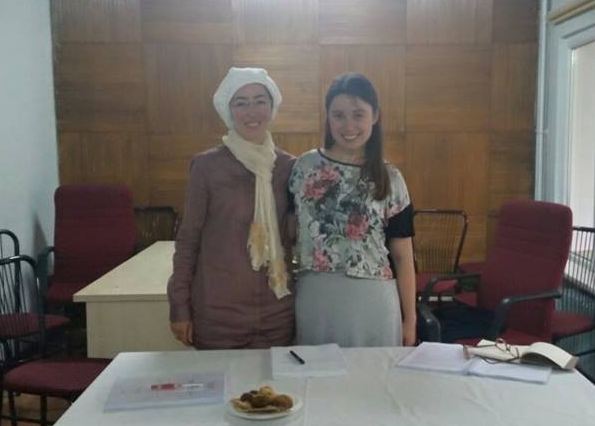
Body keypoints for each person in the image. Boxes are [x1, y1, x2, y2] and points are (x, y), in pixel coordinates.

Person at [167, 67, 295, 349]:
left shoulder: (289, 167)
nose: (252, 111)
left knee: (276, 380)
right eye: (241, 103)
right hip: (218, 313)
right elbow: (188, 240)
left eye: (260, 101)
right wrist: (179, 305)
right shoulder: (207, 166)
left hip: (277, 311)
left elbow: (296, 237)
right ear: (229, 110)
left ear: (272, 106)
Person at [289, 72, 417, 347]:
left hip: (373, 302)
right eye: (339, 115)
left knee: (372, 374)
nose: (348, 125)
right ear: (328, 117)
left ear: (375, 115)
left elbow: (403, 256)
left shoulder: (390, 177)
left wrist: (410, 319)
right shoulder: (304, 168)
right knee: (317, 373)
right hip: (316, 298)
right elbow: (286, 236)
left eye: (358, 115)